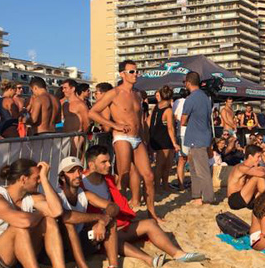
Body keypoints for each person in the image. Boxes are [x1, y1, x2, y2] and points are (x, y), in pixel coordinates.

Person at [82, 145, 207, 264]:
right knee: (114, 239)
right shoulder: (81, 184)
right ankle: (148, 259)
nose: (109, 165)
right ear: (91, 165)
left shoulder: (107, 179)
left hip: (114, 222)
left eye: (109, 161)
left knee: (151, 224)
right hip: (97, 230)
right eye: (104, 162)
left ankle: (179, 254)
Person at [89, 60, 158, 219]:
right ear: (122, 74)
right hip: (121, 137)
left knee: (149, 176)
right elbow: (93, 112)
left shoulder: (137, 94)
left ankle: (152, 213)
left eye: (136, 71)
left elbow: (139, 121)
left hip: (137, 138)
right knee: (124, 174)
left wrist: (145, 141)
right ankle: (120, 213)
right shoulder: (114, 93)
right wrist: (114, 125)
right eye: (132, 72)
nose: (136, 74)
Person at [55, 156, 122, 268]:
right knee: (69, 224)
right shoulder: (57, 194)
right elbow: (67, 216)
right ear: (62, 177)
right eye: (72, 171)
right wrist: (99, 217)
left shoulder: (84, 194)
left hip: (81, 243)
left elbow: (113, 206)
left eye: (79, 170)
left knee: (111, 221)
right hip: (61, 248)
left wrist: (103, 220)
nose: (77, 175)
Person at [180, 71, 214, 206]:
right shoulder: (205, 97)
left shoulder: (191, 99)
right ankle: (196, 196)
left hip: (196, 137)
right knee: (195, 169)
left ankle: (207, 198)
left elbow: (183, 120)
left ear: (188, 83)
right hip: (203, 136)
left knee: (200, 171)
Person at [149, 85, 179, 193]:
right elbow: (170, 128)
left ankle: (161, 186)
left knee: (160, 165)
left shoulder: (155, 107)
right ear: (171, 98)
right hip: (164, 139)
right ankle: (161, 186)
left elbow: (149, 122)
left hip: (155, 137)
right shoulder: (168, 111)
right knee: (165, 165)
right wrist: (175, 143)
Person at [227, 144, 265, 210]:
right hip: (235, 200)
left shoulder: (250, 168)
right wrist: (264, 170)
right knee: (257, 177)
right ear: (250, 156)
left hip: (245, 197)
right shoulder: (241, 167)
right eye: (258, 157)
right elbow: (262, 173)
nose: (260, 159)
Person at [62, 82, 91, 156]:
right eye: (63, 88)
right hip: (66, 137)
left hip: (77, 136)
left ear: (73, 89)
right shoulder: (65, 105)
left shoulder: (80, 104)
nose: (63, 90)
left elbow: (87, 123)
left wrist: (81, 135)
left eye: (65, 88)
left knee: (76, 159)